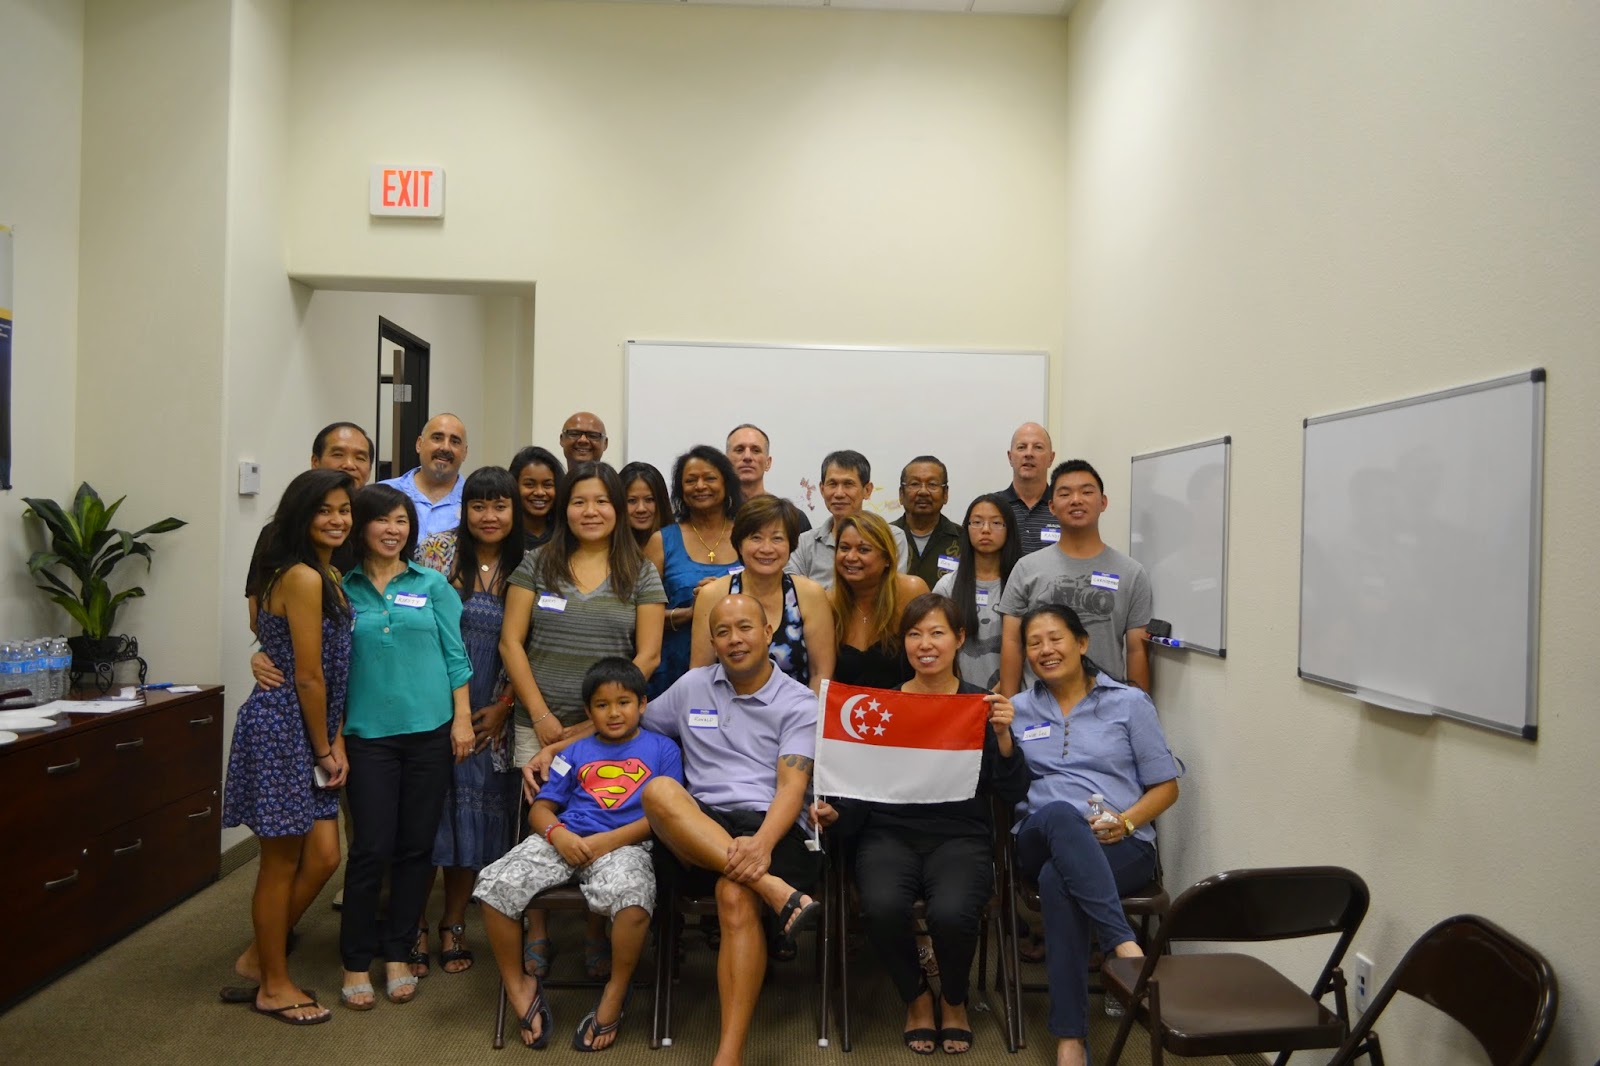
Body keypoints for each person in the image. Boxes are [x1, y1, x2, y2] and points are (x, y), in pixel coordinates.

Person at [813, 593, 1029, 1055]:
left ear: (959, 639)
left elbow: (1012, 791)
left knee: (952, 913)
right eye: (914, 634)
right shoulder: (883, 705)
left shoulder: (981, 705)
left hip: (960, 835)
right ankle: (915, 996)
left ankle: (953, 997)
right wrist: (836, 814)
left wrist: (1004, 738)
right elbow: (861, 787)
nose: (925, 644)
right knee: (881, 907)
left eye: (936, 633)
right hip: (888, 833)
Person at [638, 594, 824, 1066]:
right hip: (702, 826)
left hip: (772, 825)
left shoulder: (799, 701)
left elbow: (791, 788)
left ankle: (728, 1055)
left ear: (767, 633)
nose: (734, 640)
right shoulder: (691, 687)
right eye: (722, 632)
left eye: (745, 628)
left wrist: (761, 845)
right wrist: (559, 742)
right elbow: (627, 720)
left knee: (735, 893)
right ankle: (775, 891)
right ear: (713, 641)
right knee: (659, 791)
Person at [499, 460, 666, 979]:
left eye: (601, 502)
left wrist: (592, 726)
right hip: (540, 722)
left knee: (604, 813)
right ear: (564, 508)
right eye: (579, 501)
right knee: (540, 822)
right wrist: (543, 717)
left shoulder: (639, 570)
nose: (590, 511)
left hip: (612, 726)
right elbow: (511, 643)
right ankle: (539, 929)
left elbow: (649, 655)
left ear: (618, 509)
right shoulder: (537, 563)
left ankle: (597, 927)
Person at [474, 658, 682, 1051]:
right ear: (589, 712)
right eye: (602, 705)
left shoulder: (663, 749)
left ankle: (615, 990)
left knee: (635, 902)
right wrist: (558, 835)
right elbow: (540, 809)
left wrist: (608, 842)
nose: (614, 713)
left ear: (642, 704)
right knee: (492, 885)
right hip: (565, 838)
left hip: (626, 844)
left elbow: (667, 816)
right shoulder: (574, 751)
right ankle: (518, 985)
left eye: (624, 702)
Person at [1009, 603, 1181, 1066]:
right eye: (1034, 643)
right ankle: (1122, 942)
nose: (1046, 650)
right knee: (1060, 814)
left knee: (1058, 881)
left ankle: (1070, 1038)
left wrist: (1126, 822)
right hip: (1039, 834)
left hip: (1121, 843)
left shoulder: (1129, 703)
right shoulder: (1017, 710)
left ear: (1082, 643)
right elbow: (1003, 781)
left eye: (1056, 638)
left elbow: (1166, 788)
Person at [221, 468, 355, 1026]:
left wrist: (332, 737)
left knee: (324, 856)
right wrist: (324, 748)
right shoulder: (300, 576)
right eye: (324, 510)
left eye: (344, 510)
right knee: (279, 863)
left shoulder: (327, 572)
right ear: (301, 515)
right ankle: (274, 985)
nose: (337, 520)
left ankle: (260, 956)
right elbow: (308, 675)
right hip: (284, 728)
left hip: (312, 727)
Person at [338, 484, 475, 1010]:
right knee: (371, 849)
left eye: (402, 521)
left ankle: (398, 952)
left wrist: (462, 720)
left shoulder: (432, 584)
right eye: (382, 520)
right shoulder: (341, 589)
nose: (393, 529)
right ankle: (355, 960)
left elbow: (456, 658)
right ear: (362, 527)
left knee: (416, 848)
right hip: (367, 736)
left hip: (429, 732)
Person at [409, 467, 525, 978]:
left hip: (491, 713)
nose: (489, 516)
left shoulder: (528, 565)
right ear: (465, 509)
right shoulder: (435, 552)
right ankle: (413, 922)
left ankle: (453, 922)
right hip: (432, 706)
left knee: (473, 822)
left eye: (500, 505)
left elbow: (531, 644)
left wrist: (505, 705)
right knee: (425, 818)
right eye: (478, 505)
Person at [998, 460, 1153, 695]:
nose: (1076, 500)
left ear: (1103, 502)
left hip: (1107, 703)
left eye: (1087, 492)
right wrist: (1010, 706)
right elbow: (1012, 643)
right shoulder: (1026, 568)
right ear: (1052, 506)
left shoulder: (1132, 573)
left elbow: (1136, 650)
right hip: (1039, 706)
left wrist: (1139, 706)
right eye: (1065, 494)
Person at [689, 494, 835, 691]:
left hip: (795, 708)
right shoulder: (712, 595)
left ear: (791, 545)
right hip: (727, 706)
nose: (766, 548)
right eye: (756, 538)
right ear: (739, 544)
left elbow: (821, 674)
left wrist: (807, 711)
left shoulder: (810, 594)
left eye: (777, 538)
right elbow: (699, 675)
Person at [644, 445, 744, 696]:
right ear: (680, 489)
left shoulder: (746, 535)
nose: (700, 486)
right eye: (690, 480)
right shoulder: (661, 541)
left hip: (739, 667)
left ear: (726, 484)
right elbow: (640, 616)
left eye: (709, 478)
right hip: (671, 671)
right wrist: (691, 613)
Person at [245, 422, 374, 595]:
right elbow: (257, 604)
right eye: (338, 454)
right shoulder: (281, 532)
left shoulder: (377, 531)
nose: (349, 464)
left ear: (369, 469)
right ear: (315, 462)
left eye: (360, 458)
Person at [932, 494, 1022, 691]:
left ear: (1009, 529)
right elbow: (935, 643)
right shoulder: (947, 586)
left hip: (1010, 695)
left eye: (996, 523)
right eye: (977, 522)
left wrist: (1001, 691)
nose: (986, 529)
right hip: (957, 696)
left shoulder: (1022, 585)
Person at [830, 511, 928, 688]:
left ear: (887, 558)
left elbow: (937, 659)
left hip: (908, 702)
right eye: (844, 548)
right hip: (847, 705)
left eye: (863, 550)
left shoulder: (912, 591)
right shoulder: (829, 602)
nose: (851, 557)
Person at [787, 450, 910, 589]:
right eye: (832, 484)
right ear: (822, 489)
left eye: (848, 484)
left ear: (867, 490)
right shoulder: (804, 543)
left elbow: (891, 591)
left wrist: (814, 592)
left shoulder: (891, 537)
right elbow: (793, 593)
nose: (839, 493)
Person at [380, 412, 469, 541]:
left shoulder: (474, 502)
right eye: (437, 438)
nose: (445, 448)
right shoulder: (384, 493)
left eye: (455, 441)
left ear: (465, 453)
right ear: (419, 444)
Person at [892, 456, 964, 590]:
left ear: (945, 494)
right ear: (901, 494)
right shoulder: (885, 536)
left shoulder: (964, 539)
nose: (923, 491)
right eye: (915, 484)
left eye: (932, 484)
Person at [725, 423, 810, 533]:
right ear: (726, 461)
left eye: (756, 450)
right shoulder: (712, 515)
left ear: (768, 463)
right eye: (739, 450)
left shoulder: (793, 518)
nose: (747, 457)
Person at [997, 423, 1058, 556]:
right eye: (1021, 447)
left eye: (1038, 447)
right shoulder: (992, 507)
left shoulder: (1063, 508)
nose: (1029, 453)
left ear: (1051, 458)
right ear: (1010, 457)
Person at [508, 445, 565, 552]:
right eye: (529, 484)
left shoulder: (566, 535)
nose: (539, 492)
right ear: (514, 485)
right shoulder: (503, 535)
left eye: (547, 485)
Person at [619, 460, 672, 549]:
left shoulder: (679, 542)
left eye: (649, 500)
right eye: (632, 501)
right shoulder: (607, 549)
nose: (641, 509)